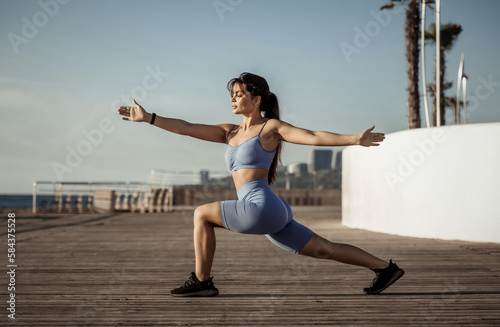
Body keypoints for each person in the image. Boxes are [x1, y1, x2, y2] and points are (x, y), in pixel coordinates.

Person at [117, 72, 404, 297]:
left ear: (257, 100)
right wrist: (149, 118)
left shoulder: (270, 128)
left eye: (240, 94)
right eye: (232, 94)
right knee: (325, 248)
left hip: (260, 207)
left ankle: (202, 282)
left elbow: (313, 136)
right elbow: (187, 127)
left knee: (200, 214)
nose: (233, 99)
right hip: (272, 210)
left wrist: (354, 139)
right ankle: (385, 269)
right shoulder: (228, 132)